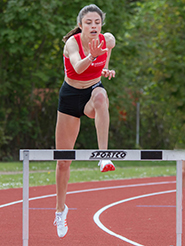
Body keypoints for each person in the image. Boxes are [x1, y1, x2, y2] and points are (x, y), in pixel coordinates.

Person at [53, 4, 116, 238]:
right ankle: (60, 210)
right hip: (70, 97)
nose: (93, 27)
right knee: (63, 162)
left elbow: (109, 49)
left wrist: (106, 67)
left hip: (91, 94)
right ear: (80, 26)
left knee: (101, 96)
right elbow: (78, 69)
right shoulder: (72, 43)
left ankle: (103, 156)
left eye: (97, 23)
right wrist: (93, 55)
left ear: (102, 25)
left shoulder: (107, 40)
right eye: (88, 23)